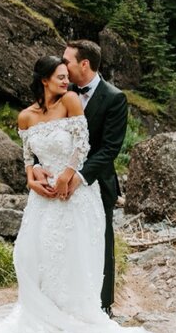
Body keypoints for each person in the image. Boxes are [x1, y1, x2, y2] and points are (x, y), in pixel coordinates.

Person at [0, 55, 176, 333]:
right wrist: (34, 183)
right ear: (44, 80)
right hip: (42, 202)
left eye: (68, 76)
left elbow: (83, 146)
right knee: (37, 257)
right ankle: (43, 319)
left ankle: (77, 319)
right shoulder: (25, 116)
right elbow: (29, 165)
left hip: (75, 197)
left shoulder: (72, 102)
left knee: (73, 259)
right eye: (60, 77)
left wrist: (66, 175)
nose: (67, 82)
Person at [32, 40, 126, 316]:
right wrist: (37, 165)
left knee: (99, 242)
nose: (63, 65)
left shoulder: (114, 98)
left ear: (84, 64)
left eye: (67, 60)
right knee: (59, 241)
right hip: (57, 180)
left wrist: (78, 176)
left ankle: (102, 307)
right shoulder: (62, 91)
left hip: (95, 182)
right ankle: (57, 304)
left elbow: (110, 149)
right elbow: (43, 131)